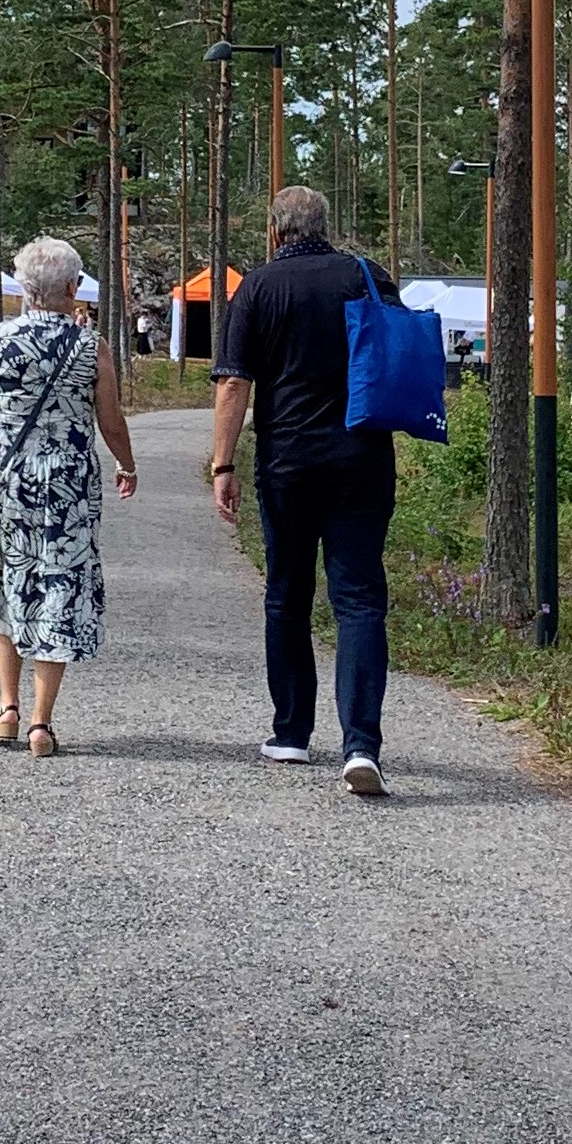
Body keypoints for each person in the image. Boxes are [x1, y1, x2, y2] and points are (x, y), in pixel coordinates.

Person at [209, 185, 402, 798]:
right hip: (362, 458)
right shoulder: (367, 276)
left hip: (287, 461)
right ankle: (361, 746)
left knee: (287, 596)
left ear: (275, 231)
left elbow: (234, 383)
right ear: (325, 226)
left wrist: (222, 464)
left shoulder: (258, 287)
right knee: (360, 600)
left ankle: (291, 732)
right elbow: (396, 352)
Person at [0, 236, 136, 759]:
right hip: (68, 487)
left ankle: (8, 709)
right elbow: (110, 419)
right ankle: (42, 722)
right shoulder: (91, 347)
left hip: (7, 481)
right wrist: (127, 465)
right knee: (58, 586)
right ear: (72, 288)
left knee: (7, 581)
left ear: (25, 288)